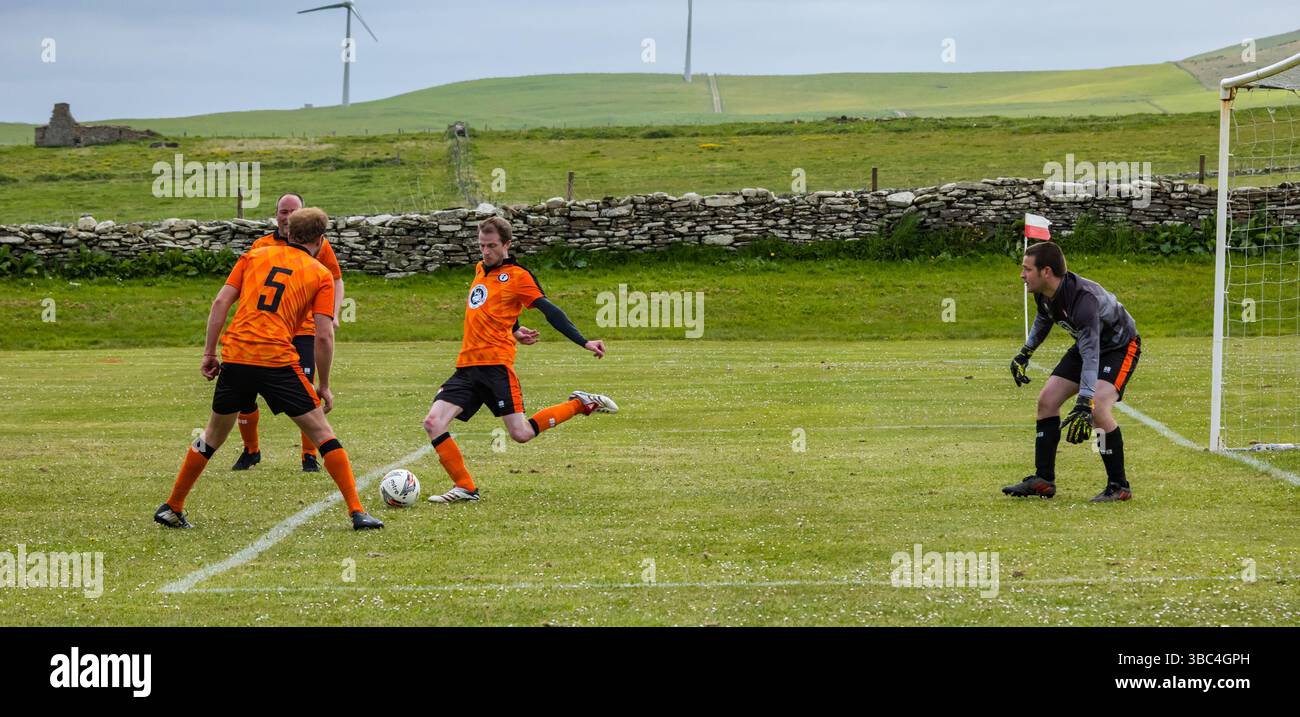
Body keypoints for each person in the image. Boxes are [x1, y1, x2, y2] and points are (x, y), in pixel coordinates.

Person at [154, 207, 382, 530]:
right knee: (322, 433)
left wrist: (209, 352)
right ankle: (357, 511)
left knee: (213, 435)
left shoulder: (254, 256)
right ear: (320, 240)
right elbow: (324, 335)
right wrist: (325, 385)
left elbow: (220, 303)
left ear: (288, 233)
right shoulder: (319, 274)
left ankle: (172, 505)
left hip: (237, 355)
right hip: (276, 360)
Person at [421, 216, 618, 504]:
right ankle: (465, 488)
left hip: (496, 367)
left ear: (507, 244)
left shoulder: (518, 276)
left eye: (491, 246)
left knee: (521, 433)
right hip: (466, 366)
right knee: (433, 422)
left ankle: (580, 403)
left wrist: (584, 341)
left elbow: (551, 312)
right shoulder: (480, 269)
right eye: (481, 246)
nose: (485, 252)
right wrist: (514, 329)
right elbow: (490, 309)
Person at [1004, 241, 1141, 503]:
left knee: (1098, 407)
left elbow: (1092, 354)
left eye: (1026, 269)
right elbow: (1044, 319)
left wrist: (1083, 402)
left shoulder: (1083, 300)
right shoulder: (1044, 293)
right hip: (1087, 343)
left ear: (1046, 271)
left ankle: (1119, 485)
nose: (1022, 275)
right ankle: (1043, 479)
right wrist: (1026, 352)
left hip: (1120, 347)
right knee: (1047, 400)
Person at [231, 192, 346, 473]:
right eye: (283, 211)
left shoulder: (321, 247)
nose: (287, 215)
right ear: (277, 214)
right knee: (245, 395)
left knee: (306, 392)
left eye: (293, 210)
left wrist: (332, 313)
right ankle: (251, 450)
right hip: (267, 333)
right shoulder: (261, 246)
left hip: (303, 329)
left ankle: (309, 455)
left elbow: (335, 279)